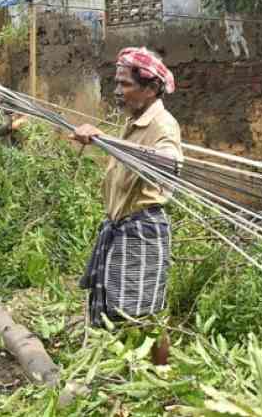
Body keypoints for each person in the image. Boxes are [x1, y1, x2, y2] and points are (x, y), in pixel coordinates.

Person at [72, 47, 183, 366]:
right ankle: (122, 373)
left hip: (141, 231)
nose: (117, 91)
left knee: (141, 313)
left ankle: (159, 379)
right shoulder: (135, 121)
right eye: (116, 83)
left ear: (149, 88)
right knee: (115, 308)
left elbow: (171, 163)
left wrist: (105, 139)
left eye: (125, 85)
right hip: (121, 229)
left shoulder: (162, 124)